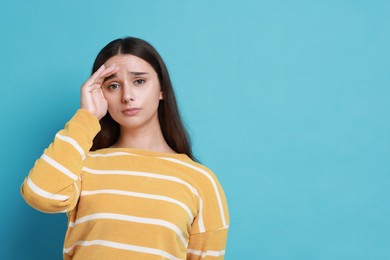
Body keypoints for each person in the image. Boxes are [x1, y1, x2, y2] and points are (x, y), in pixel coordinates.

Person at [20, 37, 229, 259]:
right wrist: (87, 117)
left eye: (139, 81)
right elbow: (39, 194)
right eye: (113, 85)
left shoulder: (200, 180)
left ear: (162, 90)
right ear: (101, 94)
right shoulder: (82, 166)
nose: (127, 96)